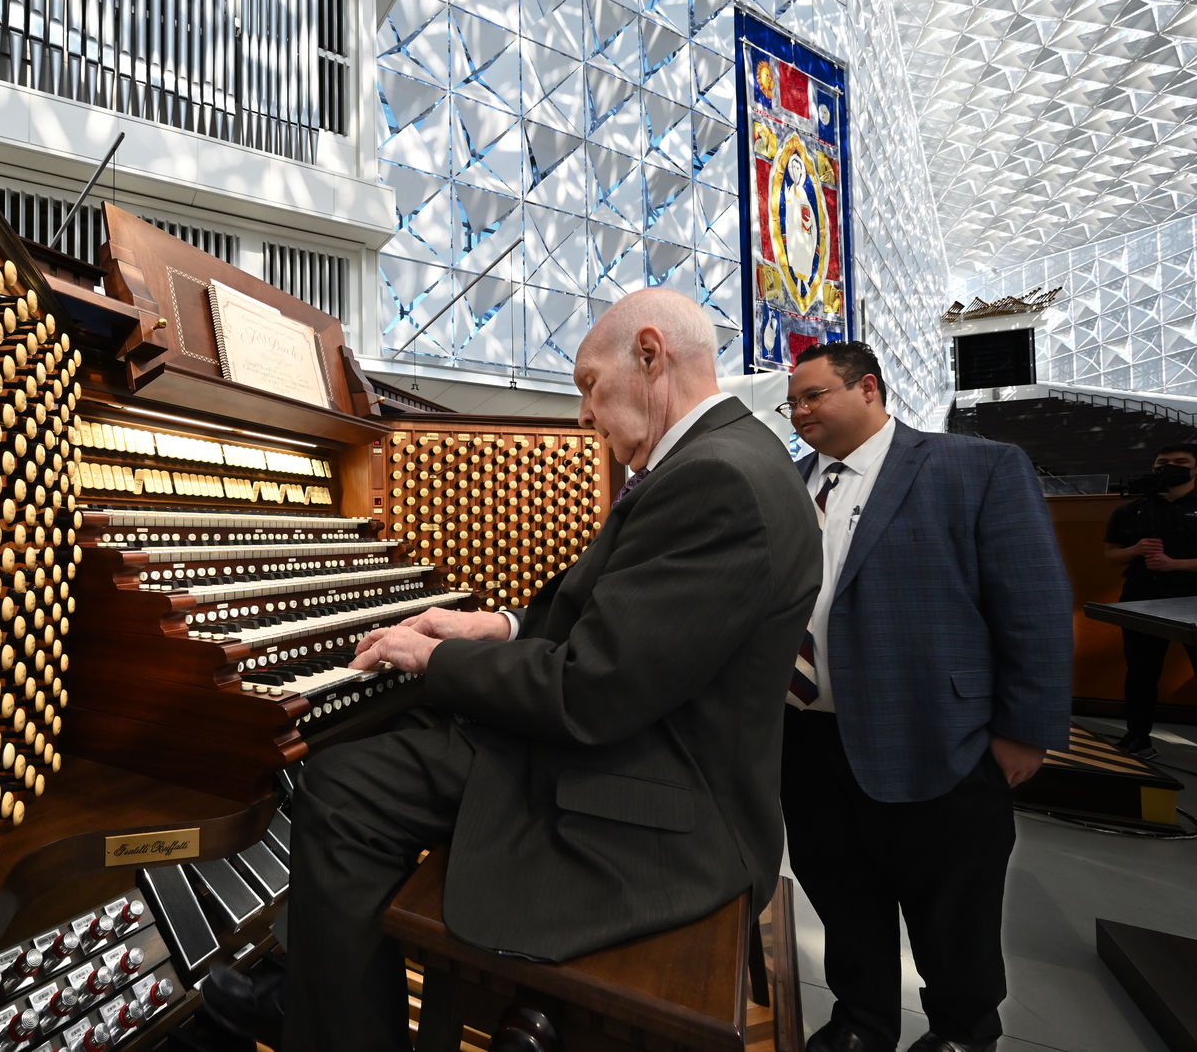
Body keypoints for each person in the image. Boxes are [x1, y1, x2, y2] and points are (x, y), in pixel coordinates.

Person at [203, 288, 823, 1052]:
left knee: (342, 788)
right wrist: (497, 626)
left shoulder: (716, 478)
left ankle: (331, 1023)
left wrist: (436, 658)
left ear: (651, 355)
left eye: (588, 386)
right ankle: (308, 976)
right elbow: (623, 626)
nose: (582, 416)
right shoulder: (725, 456)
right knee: (399, 724)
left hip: (655, 806)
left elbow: (589, 689)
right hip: (656, 743)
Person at [779, 343, 1073, 1052]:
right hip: (808, 739)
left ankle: (963, 1031)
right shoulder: (784, 483)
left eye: (814, 394)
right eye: (793, 401)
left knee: (952, 907)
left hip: (939, 734)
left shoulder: (973, 468)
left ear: (869, 388)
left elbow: (1031, 603)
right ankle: (860, 1019)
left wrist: (1024, 729)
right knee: (841, 891)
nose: (800, 410)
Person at [1103, 442, 1197, 759]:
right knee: (1141, 673)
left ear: (1195, 468)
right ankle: (1137, 739)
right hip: (1141, 600)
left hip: (1192, 600)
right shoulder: (1131, 510)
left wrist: (1177, 565)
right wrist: (1135, 550)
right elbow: (1111, 554)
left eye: (1181, 461)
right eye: (1162, 462)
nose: (1170, 466)